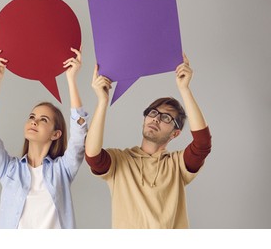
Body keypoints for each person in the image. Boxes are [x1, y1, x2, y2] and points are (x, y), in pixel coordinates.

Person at [85, 54, 212, 228]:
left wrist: (184, 89)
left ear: (175, 134)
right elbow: (92, 157)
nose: (156, 119)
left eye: (166, 117)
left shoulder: (177, 165)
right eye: (153, 113)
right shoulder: (120, 161)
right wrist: (102, 102)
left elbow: (202, 144)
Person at [0, 47, 89, 229]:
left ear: (56, 134)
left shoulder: (62, 170)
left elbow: (79, 136)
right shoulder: (9, 170)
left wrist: (71, 80)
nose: (34, 122)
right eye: (32, 117)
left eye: (43, 120)